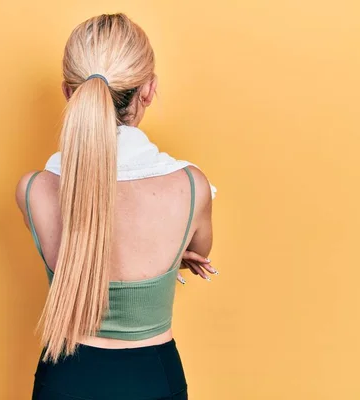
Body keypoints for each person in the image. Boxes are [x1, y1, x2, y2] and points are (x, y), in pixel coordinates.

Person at [15, 13, 217, 400]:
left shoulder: (33, 190)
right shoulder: (191, 187)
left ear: (68, 92)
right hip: (152, 380)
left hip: (65, 379)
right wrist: (174, 250)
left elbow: (87, 221)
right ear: (148, 91)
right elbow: (199, 250)